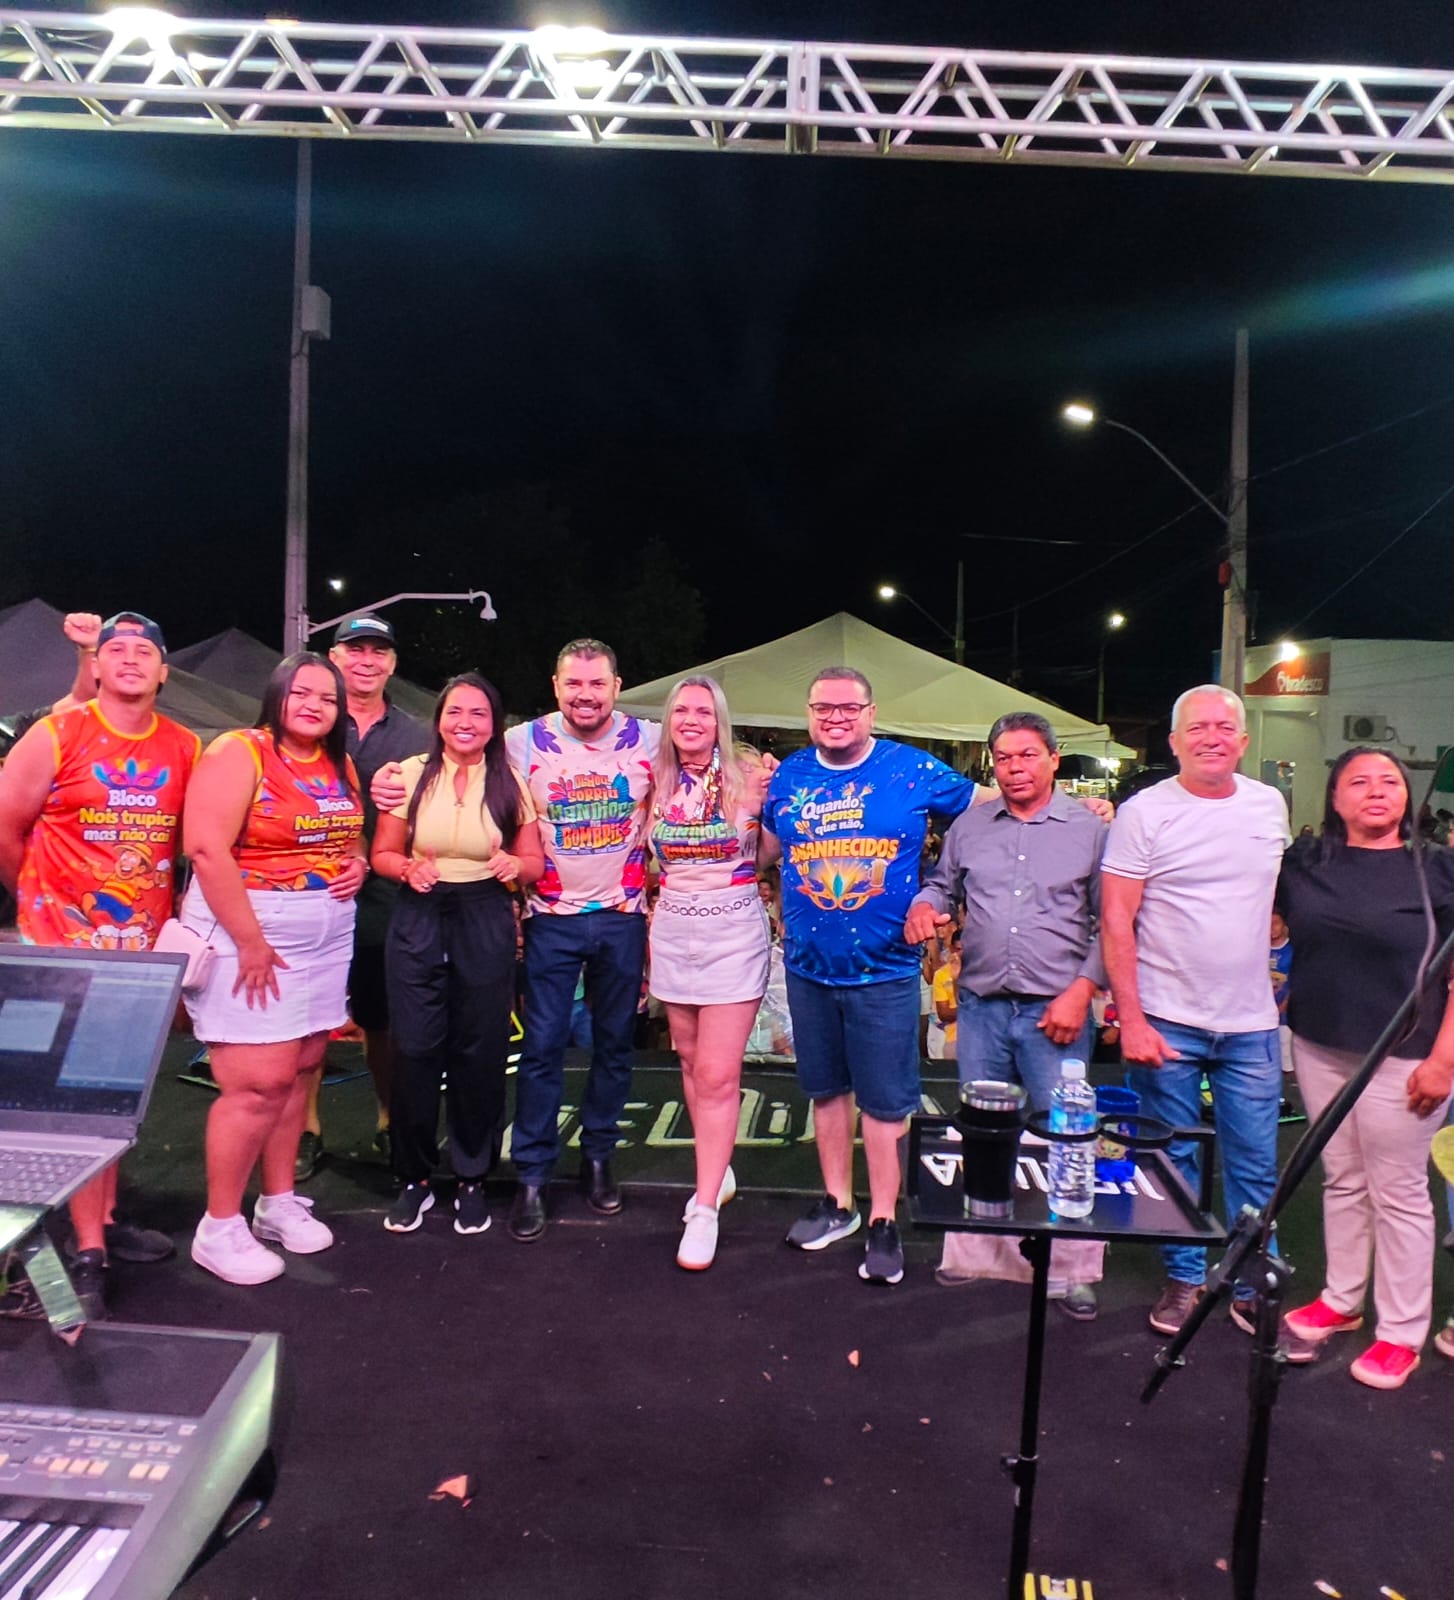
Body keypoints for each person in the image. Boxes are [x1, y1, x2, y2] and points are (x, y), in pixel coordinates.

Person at [0, 611, 199, 1317]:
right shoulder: (56, 735)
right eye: (116, 649)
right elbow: (7, 829)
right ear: (96, 664)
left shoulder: (183, 746)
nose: (130, 659)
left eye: (145, 650)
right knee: (67, 1109)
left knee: (115, 1100)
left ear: (164, 671)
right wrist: (44, 905)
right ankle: (80, 1254)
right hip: (60, 950)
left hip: (139, 957)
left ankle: (104, 1221)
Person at [760, 666, 986, 1286]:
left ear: (871, 711)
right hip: (808, 967)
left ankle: (884, 1217)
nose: (836, 718)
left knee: (886, 1103)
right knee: (827, 1092)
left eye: (848, 708)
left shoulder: (910, 767)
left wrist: (1068, 806)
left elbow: (986, 807)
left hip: (885, 969)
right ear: (809, 713)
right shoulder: (789, 775)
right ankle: (839, 1204)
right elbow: (761, 851)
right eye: (823, 708)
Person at [905, 710, 1109, 1318]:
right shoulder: (970, 826)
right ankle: (977, 1252)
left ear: (1054, 759)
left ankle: (1072, 1269)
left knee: (1066, 1141)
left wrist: (1082, 991)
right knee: (982, 1134)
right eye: (1003, 758)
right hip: (983, 1006)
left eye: (1027, 755)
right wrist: (924, 904)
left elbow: (1115, 922)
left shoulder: (1090, 830)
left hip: (1058, 1009)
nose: (1014, 767)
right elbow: (943, 886)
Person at [1101, 684, 1290, 1336]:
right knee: (1172, 1156)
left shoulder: (1269, 805)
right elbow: (1116, 918)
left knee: (1255, 1164)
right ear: (1175, 742)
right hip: (1166, 1017)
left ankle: (1251, 1281)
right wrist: (1130, 1018)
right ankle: (1183, 1278)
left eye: (1224, 727)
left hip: (1252, 1023)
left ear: (1244, 741)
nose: (1212, 737)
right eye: (1198, 728)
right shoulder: (1144, 813)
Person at [182, 652, 367, 1285]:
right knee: (257, 1083)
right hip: (253, 929)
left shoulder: (338, 763)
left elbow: (348, 833)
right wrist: (250, 941)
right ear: (277, 695)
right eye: (302, 693)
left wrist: (357, 862)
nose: (315, 706)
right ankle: (219, 1226)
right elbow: (206, 848)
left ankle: (277, 1200)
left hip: (325, 934)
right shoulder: (241, 752)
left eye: (328, 698)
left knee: (301, 1067)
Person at [1275, 748, 1454, 1389]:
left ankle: (1401, 1332)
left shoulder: (1438, 869)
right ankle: (1342, 1298)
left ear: (1407, 795)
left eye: (1389, 781)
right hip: (1319, 1045)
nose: (1376, 791)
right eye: (1359, 781)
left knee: (1399, 1193)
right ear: (1334, 798)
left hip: (1406, 1054)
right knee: (1344, 1179)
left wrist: (1444, 1060)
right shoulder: (1304, 861)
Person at [370, 673, 543, 1237]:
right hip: (420, 911)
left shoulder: (511, 783)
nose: (465, 723)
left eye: (478, 713)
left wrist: (515, 867)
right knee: (414, 1048)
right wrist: (406, 867)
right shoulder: (408, 775)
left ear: (495, 725)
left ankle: (472, 1176)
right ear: (439, 718)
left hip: (484, 911)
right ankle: (414, 1177)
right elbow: (382, 852)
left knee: (480, 1049)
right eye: (455, 712)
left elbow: (533, 863)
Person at [502, 639, 659, 1240]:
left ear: (617, 687)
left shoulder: (650, 739)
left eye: (597, 684)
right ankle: (532, 1173)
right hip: (550, 919)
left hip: (623, 916)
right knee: (541, 1048)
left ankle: (598, 1156)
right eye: (574, 684)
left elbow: (714, 753)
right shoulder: (520, 742)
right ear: (555, 686)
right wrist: (395, 775)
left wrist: (761, 766)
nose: (585, 695)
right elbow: (451, 756)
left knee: (614, 1045)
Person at [295, 614, 428, 1182]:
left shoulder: (418, 734)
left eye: (378, 651)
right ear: (335, 657)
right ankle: (306, 1129)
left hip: (388, 898)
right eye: (355, 650)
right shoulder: (308, 720)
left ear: (392, 663)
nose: (366, 660)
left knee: (382, 1020)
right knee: (307, 1021)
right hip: (312, 891)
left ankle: (388, 1119)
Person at [648, 676, 772, 1270]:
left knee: (719, 1074)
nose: (691, 720)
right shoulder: (653, 775)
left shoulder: (749, 776)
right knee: (691, 1062)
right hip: (673, 928)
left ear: (718, 718)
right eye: (681, 710)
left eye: (703, 710)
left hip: (732, 929)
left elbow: (770, 850)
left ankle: (703, 1210)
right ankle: (716, 1173)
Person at [1269, 910, 1293, 1074]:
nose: (1272, 928)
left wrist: (1285, 1004)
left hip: (1284, 1010)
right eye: (1268, 924)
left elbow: (1296, 981)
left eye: (1275, 923)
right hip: (1263, 1010)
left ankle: (1288, 1078)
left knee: (1285, 1046)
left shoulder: (1291, 950)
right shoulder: (1260, 949)